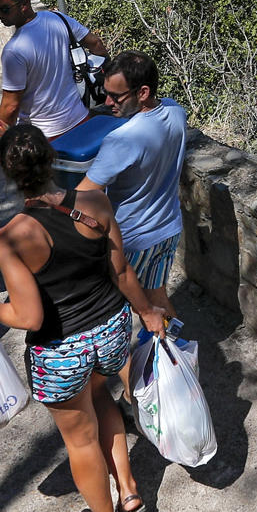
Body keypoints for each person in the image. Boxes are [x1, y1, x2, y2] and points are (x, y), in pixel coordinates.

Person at [0, 125, 168, 512]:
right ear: (51, 159)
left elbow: (28, 314)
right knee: (103, 398)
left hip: (61, 352)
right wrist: (148, 313)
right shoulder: (96, 203)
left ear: (8, 175)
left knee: (80, 438)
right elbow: (122, 273)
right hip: (110, 333)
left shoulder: (10, 238)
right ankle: (127, 488)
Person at [79, 51, 188, 334]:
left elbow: (84, 193)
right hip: (167, 229)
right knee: (158, 299)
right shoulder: (177, 112)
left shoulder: (123, 140)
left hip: (131, 240)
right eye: (107, 94)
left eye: (117, 97)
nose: (107, 102)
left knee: (116, 316)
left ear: (143, 92)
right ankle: (180, 359)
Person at [0, 0, 118, 181]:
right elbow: (96, 44)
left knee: (54, 198)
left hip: (45, 137)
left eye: (4, 9)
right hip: (80, 118)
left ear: (24, 5)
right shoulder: (57, 19)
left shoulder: (14, 50)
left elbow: (10, 106)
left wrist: (0, 144)